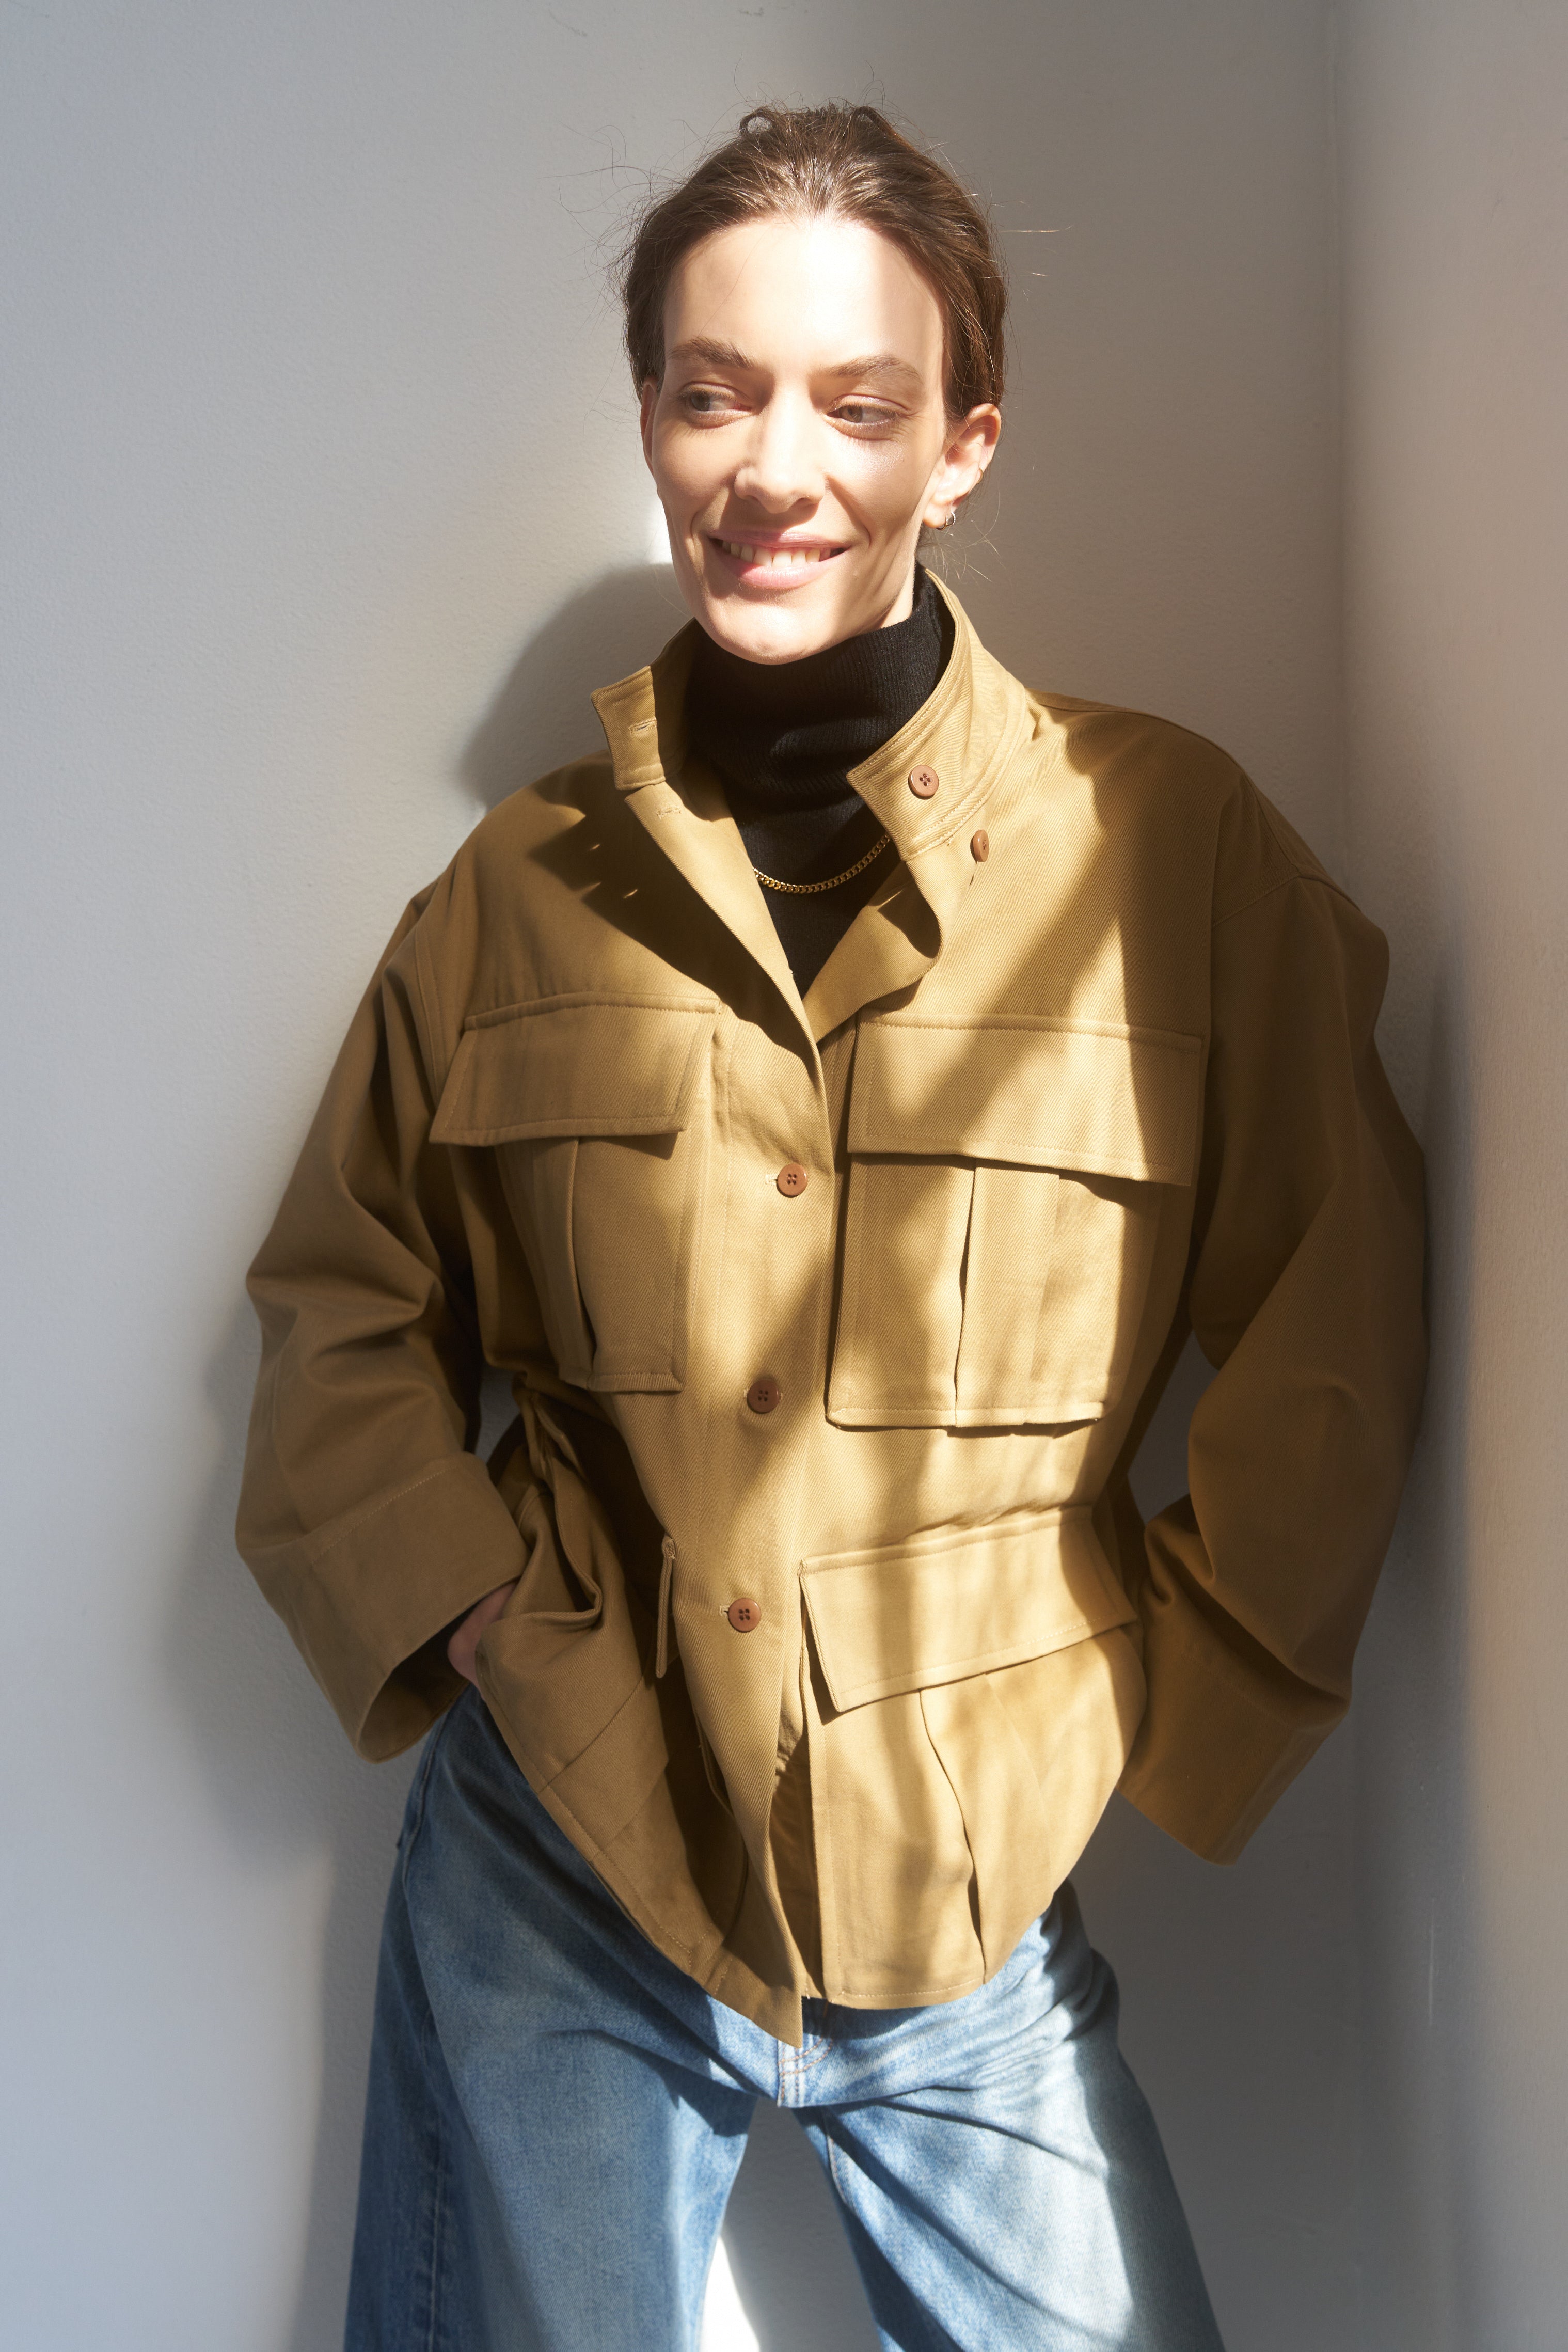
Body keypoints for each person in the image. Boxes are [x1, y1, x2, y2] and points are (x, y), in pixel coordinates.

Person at [236, 103, 1425, 2352]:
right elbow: (339, 1306)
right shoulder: (517, 890)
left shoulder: (1164, 855)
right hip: (561, 1852)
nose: (774, 469)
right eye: (715, 392)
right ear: (651, 418)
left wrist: (1144, 1699)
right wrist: (481, 1620)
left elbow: (1335, 1301)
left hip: (964, 1892)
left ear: (961, 446)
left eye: (857, 406)